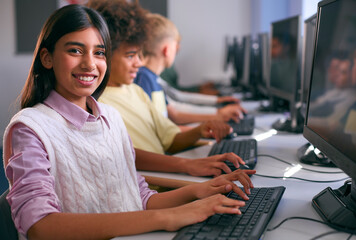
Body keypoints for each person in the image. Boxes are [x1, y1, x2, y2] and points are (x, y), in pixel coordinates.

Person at [2, 4, 256, 239]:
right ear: (47, 58)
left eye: (99, 52)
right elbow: (39, 226)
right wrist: (168, 217)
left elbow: (139, 198)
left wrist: (199, 192)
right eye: (75, 50)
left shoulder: (110, 118)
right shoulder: (30, 129)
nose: (90, 63)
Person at [92, 0, 235, 160]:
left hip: (166, 174)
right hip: (156, 181)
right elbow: (131, 159)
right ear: (105, 53)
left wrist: (200, 130)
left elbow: (169, 139)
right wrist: (187, 165)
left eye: (139, 55)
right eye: (131, 55)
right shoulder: (98, 103)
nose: (139, 63)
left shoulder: (135, 90)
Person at [134, 13, 246, 125]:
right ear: (167, 50)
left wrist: (217, 107)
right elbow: (174, 114)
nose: (179, 48)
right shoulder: (144, 78)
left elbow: (176, 100)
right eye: (176, 44)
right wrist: (217, 114)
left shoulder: (151, 77)